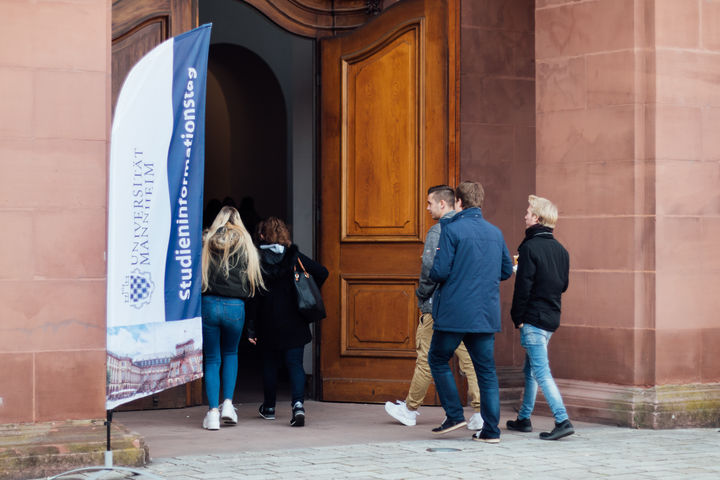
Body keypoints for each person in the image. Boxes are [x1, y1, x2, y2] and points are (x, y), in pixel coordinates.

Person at [384, 185, 483, 430]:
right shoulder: (471, 230)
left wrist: (422, 295)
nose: (427, 208)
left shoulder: (439, 230)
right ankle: (480, 412)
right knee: (469, 359)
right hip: (464, 306)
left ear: (444, 204)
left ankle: (410, 409)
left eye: (430, 203)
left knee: (427, 357)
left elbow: (430, 269)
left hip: (437, 306)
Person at [427, 181, 513, 443]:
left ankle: (454, 414)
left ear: (459, 202)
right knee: (486, 371)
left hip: (454, 311)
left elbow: (439, 271)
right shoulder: (495, 233)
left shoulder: (452, 230)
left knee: (438, 358)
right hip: (484, 313)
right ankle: (491, 431)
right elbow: (506, 270)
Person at [248, 217, 328, 427]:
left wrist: (251, 327)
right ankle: (298, 405)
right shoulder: (294, 257)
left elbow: (253, 296)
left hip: (267, 322)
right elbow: (322, 272)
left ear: (262, 236)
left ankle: (269, 408)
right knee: (295, 364)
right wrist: (304, 285)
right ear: (284, 235)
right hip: (294, 320)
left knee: (270, 365)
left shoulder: (256, 260)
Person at [506, 195, 574, 440]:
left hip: (533, 317)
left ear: (536, 217)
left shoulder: (529, 247)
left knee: (541, 372)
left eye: (528, 212)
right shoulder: (561, 251)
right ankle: (524, 418)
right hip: (551, 317)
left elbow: (523, 287)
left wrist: (518, 317)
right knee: (531, 370)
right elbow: (563, 285)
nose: (525, 215)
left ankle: (562, 419)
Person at [200, 206, 265, 430]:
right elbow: (252, 281)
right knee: (230, 353)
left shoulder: (207, 241)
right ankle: (227, 404)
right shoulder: (246, 242)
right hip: (235, 306)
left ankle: (211, 413)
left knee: (212, 359)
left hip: (208, 303)